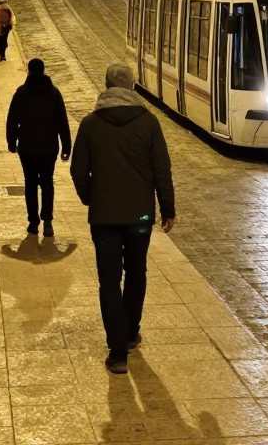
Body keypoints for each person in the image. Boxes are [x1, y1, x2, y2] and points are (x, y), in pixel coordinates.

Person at [71, 62, 175, 374]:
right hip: (139, 215)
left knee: (109, 281)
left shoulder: (91, 124)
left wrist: (93, 197)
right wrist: (167, 209)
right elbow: (161, 170)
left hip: (104, 217)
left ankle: (117, 353)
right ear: (132, 87)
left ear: (105, 86)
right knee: (137, 273)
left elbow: (79, 171)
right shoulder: (149, 123)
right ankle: (130, 333)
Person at [6, 59, 71, 237]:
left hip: (27, 146)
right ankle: (48, 220)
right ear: (43, 71)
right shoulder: (54, 93)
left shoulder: (21, 93)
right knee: (47, 182)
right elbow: (62, 121)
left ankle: (33, 221)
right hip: (49, 146)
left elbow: (12, 120)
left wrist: (11, 142)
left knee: (30, 183)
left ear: (28, 71)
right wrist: (66, 145)